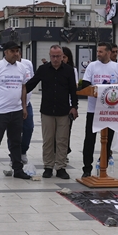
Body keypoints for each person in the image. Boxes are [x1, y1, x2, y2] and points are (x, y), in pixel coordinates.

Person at [25, 45, 79, 179]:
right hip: (47, 111)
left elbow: (73, 90)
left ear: (62, 56)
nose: (55, 59)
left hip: (63, 111)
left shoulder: (69, 70)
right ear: (50, 56)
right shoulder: (43, 69)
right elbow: (31, 84)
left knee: (62, 140)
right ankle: (48, 166)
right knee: (48, 140)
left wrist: (75, 106)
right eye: (53, 56)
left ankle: (60, 167)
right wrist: (18, 91)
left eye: (58, 56)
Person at [0, 40, 31, 182]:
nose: (16, 54)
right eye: (13, 51)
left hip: (16, 111)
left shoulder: (22, 68)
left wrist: (24, 107)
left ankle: (18, 169)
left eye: (17, 51)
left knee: (16, 142)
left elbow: (23, 88)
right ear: (6, 52)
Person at [79, 42, 118, 178]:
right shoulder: (92, 66)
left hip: (110, 110)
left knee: (108, 140)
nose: (98, 54)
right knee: (89, 139)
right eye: (97, 51)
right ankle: (86, 168)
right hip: (93, 109)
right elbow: (85, 84)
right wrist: (97, 89)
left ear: (108, 53)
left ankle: (103, 165)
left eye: (101, 51)